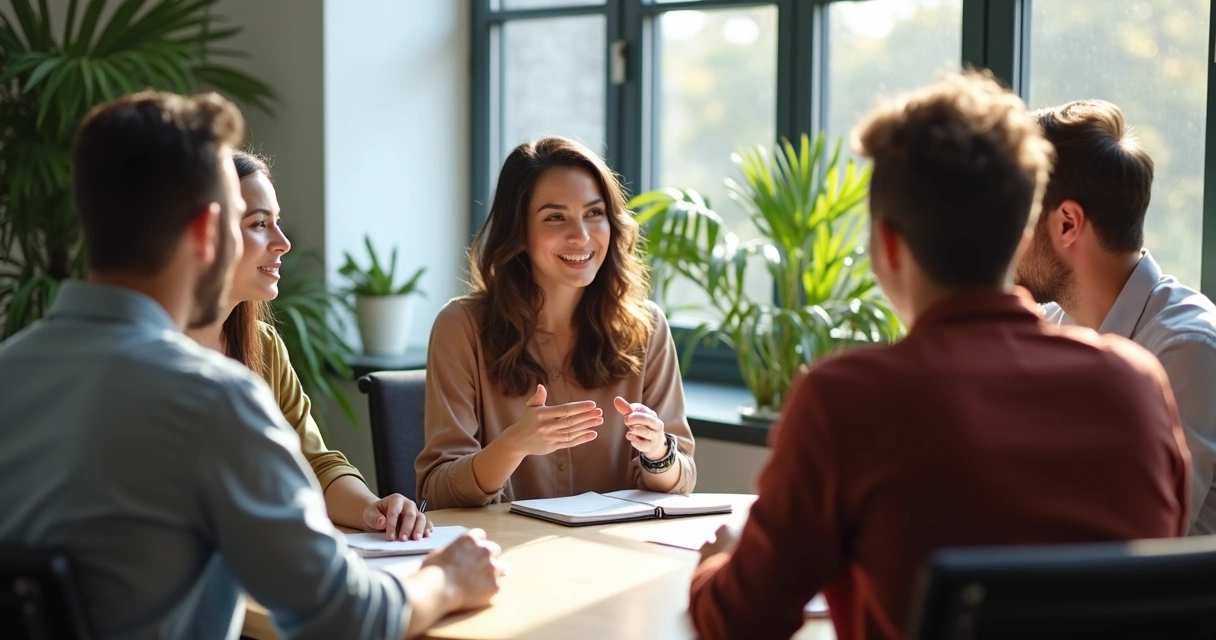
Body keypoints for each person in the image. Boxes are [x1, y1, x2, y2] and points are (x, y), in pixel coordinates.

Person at [687, 71, 1190, 640]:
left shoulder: (847, 401)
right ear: (1024, 235)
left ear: (888, 245)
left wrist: (716, 563)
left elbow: (738, 624)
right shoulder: (1138, 383)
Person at [0, 91, 503, 639]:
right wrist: (446, 580)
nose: (277, 242)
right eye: (247, 221)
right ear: (206, 231)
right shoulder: (213, 400)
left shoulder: (11, 370)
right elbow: (345, 620)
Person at [416, 136, 696, 509]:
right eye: (554, 217)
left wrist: (659, 452)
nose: (581, 236)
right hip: (507, 557)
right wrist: (515, 444)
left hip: (618, 555)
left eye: (594, 213)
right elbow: (438, 490)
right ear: (518, 234)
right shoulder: (460, 327)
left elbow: (682, 481)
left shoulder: (646, 327)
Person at [185, 151, 427, 541]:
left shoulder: (263, 346)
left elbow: (313, 463)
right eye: (259, 224)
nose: (282, 243)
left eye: (276, 223)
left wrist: (372, 509)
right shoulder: (151, 355)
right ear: (208, 234)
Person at [1015, 99, 1216, 535]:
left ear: (1067, 223)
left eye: (1020, 218)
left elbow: (1147, 537)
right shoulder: (1047, 327)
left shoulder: (1187, 348)